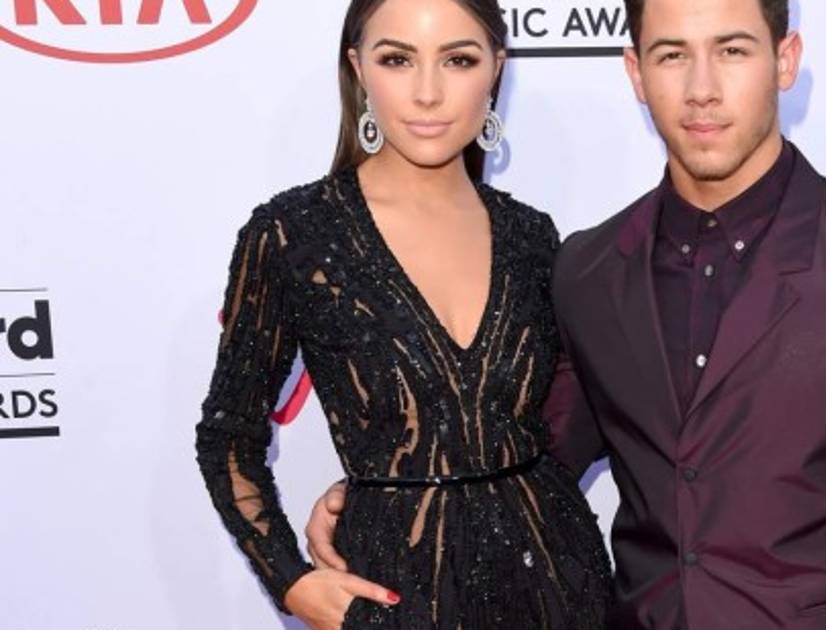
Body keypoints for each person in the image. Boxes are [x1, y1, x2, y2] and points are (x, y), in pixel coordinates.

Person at [307, 0, 826, 627]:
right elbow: (527, 461)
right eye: (673, 55)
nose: (702, 88)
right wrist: (389, 496)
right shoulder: (588, 270)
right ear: (636, 73)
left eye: (732, 50)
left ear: (785, 60)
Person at [194, 1, 612, 628]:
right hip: (394, 596)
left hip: (559, 583)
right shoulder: (295, 234)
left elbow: (548, 423)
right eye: (397, 59)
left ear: (495, 69)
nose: (428, 92)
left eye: (458, 60)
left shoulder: (532, 236)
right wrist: (290, 579)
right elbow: (229, 434)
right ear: (358, 68)